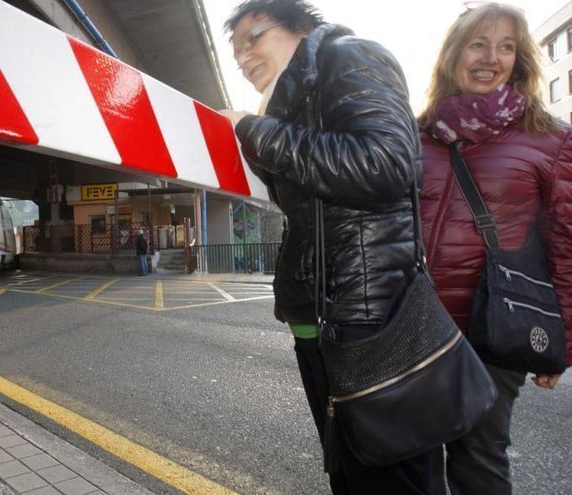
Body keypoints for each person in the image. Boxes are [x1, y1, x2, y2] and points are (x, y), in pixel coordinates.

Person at [222, 1, 430, 493]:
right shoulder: (287, 105)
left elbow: (386, 165)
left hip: (369, 312)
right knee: (345, 463)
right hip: (316, 310)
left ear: (299, 25)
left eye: (255, 38)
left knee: (390, 468)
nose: (245, 58)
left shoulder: (351, 56)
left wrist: (253, 131)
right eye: (236, 54)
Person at [418, 4, 571, 494]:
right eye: (479, 44)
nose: (491, 57)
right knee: (408, 457)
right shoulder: (416, 135)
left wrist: (562, 343)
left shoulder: (551, 140)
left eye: (506, 47)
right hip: (415, 325)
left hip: (495, 328)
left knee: (479, 462)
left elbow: (566, 243)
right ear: (453, 55)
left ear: (520, 60)